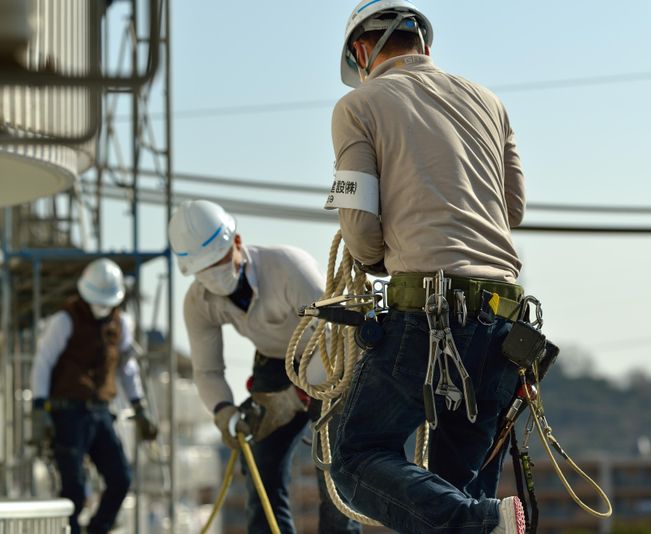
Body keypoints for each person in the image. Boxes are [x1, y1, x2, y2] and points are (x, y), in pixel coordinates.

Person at [325, 1, 528, 532]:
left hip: (431, 316)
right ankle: (484, 521)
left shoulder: (359, 105)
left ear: (363, 51)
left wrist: (373, 257)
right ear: (425, 45)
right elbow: (515, 210)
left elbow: (362, 231)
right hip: (506, 322)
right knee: (453, 487)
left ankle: (480, 523)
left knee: (355, 455)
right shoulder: (490, 103)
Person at [168, 199, 361, 534]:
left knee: (333, 477)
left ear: (237, 243)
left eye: (219, 260)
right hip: (274, 362)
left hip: (327, 359)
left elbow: (332, 335)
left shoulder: (287, 267)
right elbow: (207, 371)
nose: (214, 275)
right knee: (260, 466)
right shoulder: (199, 304)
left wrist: (299, 393)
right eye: (203, 270)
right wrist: (224, 410)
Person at [30, 258, 158, 534]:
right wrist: (40, 408)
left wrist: (139, 406)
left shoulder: (121, 324)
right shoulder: (65, 320)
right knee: (73, 488)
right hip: (68, 413)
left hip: (100, 412)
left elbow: (127, 368)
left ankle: (97, 530)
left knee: (120, 479)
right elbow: (43, 363)